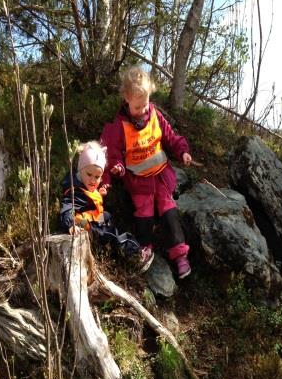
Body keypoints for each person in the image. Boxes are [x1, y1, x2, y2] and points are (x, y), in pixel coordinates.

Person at [100, 66, 193, 279]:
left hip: (161, 177)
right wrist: (116, 170)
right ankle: (144, 249)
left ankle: (180, 255)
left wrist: (183, 152)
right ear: (126, 99)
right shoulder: (118, 128)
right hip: (138, 182)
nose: (142, 111)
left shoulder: (156, 116)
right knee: (144, 214)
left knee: (168, 209)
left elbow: (171, 138)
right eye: (137, 107)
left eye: (145, 105)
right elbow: (110, 155)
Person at [59, 141, 153, 272]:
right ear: (80, 171)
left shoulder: (85, 186)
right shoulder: (73, 191)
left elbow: (88, 201)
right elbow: (67, 209)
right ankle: (135, 254)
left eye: (97, 177)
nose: (93, 180)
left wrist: (98, 194)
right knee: (111, 234)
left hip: (94, 218)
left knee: (108, 217)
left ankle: (113, 251)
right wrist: (70, 224)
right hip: (84, 225)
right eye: (89, 175)